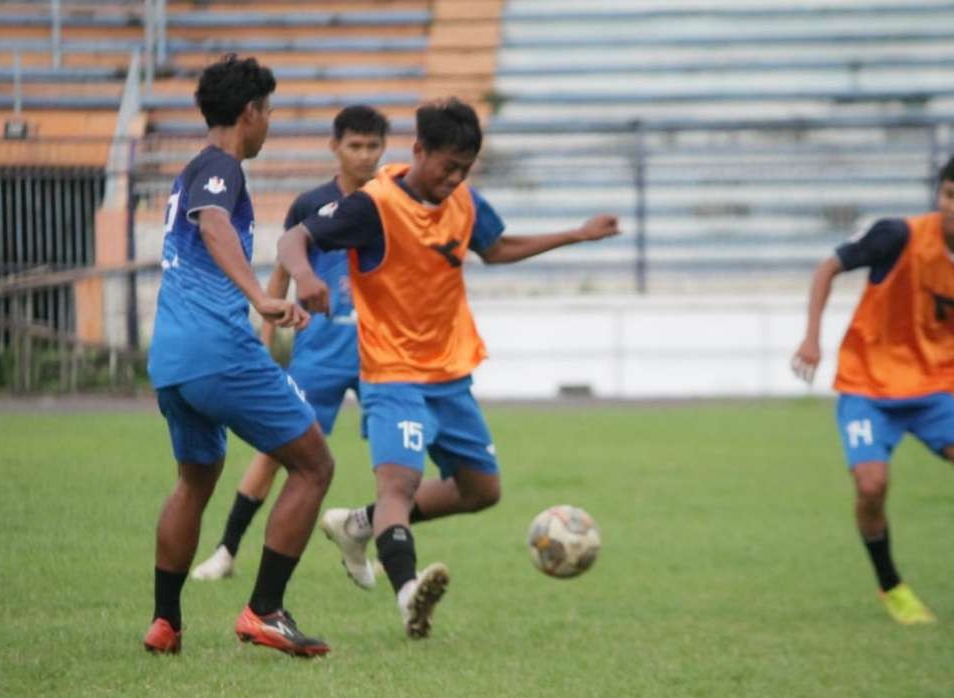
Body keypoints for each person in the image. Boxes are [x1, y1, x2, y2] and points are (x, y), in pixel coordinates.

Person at [277, 98, 620, 638]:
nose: (454, 178)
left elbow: (498, 247)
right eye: (447, 166)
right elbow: (294, 235)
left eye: (465, 168)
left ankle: (357, 525)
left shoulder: (465, 200)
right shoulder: (374, 205)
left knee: (482, 490)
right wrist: (304, 275)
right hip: (391, 371)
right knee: (400, 486)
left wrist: (576, 234)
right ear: (418, 150)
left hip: (451, 371)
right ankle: (410, 593)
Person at [791, 150, 954, 625]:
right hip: (867, 386)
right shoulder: (898, 235)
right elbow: (828, 267)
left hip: (934, 391)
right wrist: (812, 338)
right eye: (949, 193)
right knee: (871, 486)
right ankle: (892, 588)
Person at [143, 54, 334, 657]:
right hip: (217, 353)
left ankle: (165, 621)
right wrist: (262, 300)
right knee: (314, 465)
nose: (270, 122)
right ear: (250, 112)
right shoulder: (221, 167)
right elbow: (214, 226)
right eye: (269, 111)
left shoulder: (189, 171)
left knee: (195, 480)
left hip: (171, 358)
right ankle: (265, 611)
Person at [190, 105, 389, 587]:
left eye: (373, 146)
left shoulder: (392, 202)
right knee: (278, 454)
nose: (364, 155)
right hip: (319, 353)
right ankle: (226, 551)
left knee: (395, 461)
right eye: (355, 145)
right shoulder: (310, 206)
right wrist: (264, 340)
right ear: (335, 147)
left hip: (381, 352)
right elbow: (281, 270)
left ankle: (381, 551)